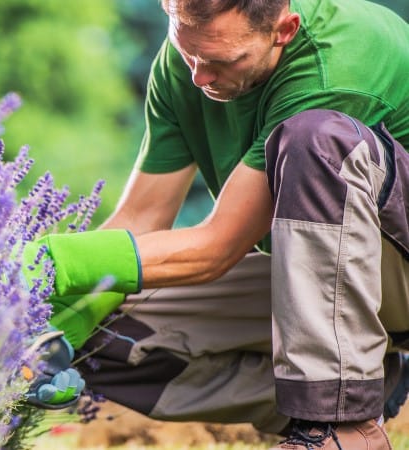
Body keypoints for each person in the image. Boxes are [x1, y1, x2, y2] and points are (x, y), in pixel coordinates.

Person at [23, 0, 409, 448]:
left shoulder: (339, 63)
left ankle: (340, 427)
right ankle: (370, 386)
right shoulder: (191, 59)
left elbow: (218, 246)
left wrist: (51, 261)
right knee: (106, 339)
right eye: (188, 55)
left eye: (220, 62)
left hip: (396, 271)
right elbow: (142, 219)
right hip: (329, 279)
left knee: (316, 140)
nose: (198, 78)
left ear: (284, 30)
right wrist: (51, 321)